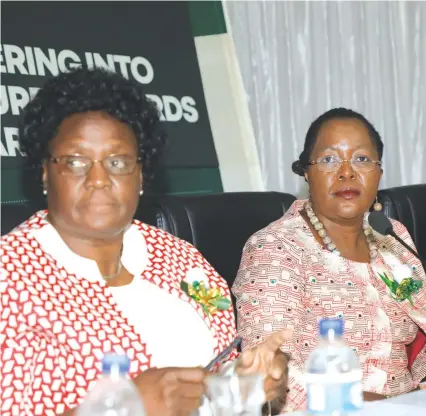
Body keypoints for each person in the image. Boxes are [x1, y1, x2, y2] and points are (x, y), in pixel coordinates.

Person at [0, 67, 290, 416]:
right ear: (45, 172)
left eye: (118, 162)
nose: (98, 179)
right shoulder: (10, 276)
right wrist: (122, 408)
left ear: (140, 175)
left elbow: (221, 373)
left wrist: (249, 383)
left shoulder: (184, 261)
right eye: (76, 161)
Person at [233, 108, 426, 413]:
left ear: (379, 173)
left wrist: (416, 393)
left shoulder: (392, 236)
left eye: (362, 159)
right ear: (307, 172)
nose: (347, 172)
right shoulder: (276, 247)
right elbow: (269, 368)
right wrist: (374, 404)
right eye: (329, 159)